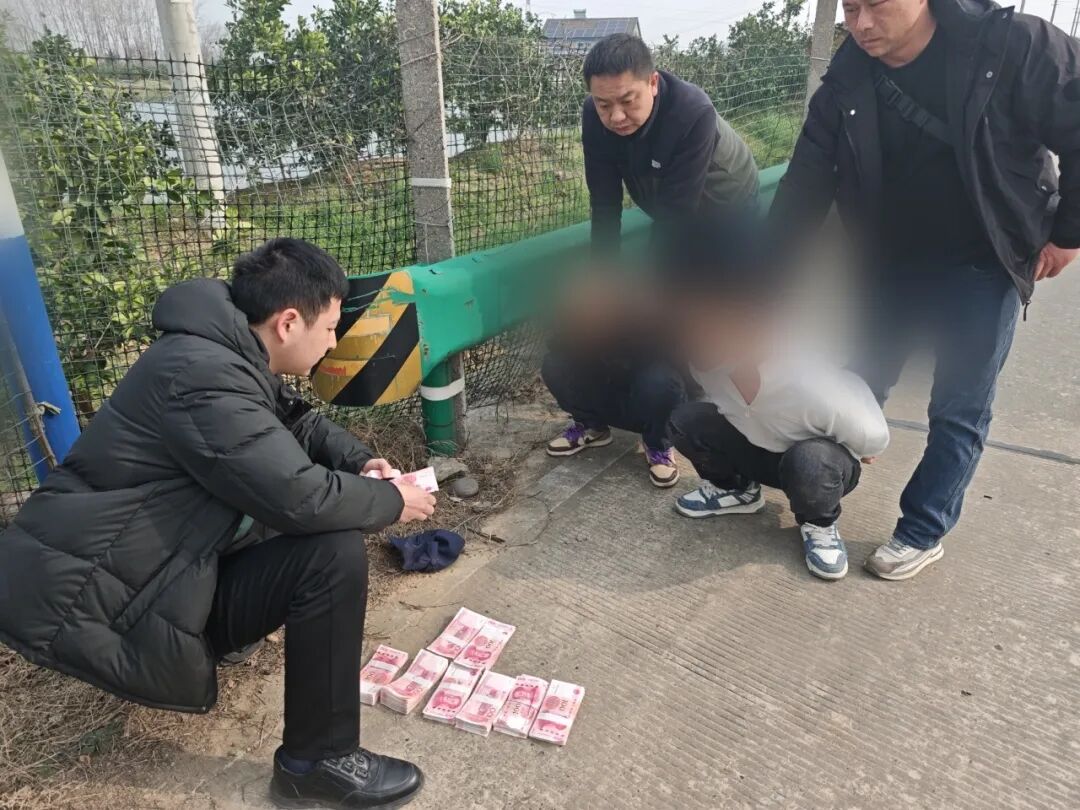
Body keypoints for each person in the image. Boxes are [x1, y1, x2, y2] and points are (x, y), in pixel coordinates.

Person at [0, 239, 435, 809]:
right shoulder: (202, 378)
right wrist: (391, 501)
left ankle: (230, 641)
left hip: (148, 573)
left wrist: (359, 462)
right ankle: (316, 762)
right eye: (330, 328)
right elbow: (299, 498)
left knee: (313, 525)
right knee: (331, 553)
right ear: (287, 323)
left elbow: (293, 422)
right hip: (100, 602)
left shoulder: (224, 350)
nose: (333, 342)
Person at [768, 0, 1080, 580]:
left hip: (983, 263)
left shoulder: (1012, 44)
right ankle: (819, 497)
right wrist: (765, 286)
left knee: (960, 406)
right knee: (855, 389)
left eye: (876, 5)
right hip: (890, 266)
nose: (861, 24)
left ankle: (923, 528)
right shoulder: (847, 78)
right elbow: (804, 184)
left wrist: (1068, 233)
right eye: (850, 8)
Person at [664, 220, 890, 580]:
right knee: (685, 421)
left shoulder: (804, 377)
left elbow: (874, 437)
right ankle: (738, 491)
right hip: (760, 448)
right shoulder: (705, 365)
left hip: (811, 462)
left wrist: (857, 446)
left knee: (811, 461)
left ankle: (819, 522)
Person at [581, 33, 760, 254]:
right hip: (668, 195)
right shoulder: (593, 114)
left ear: (653, 83)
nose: (616, 116)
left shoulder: (692, 114)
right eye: (604, 105)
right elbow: (604, 200)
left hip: (726, 199)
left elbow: (675, 215)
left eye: (627, 101)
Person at [541, 267, 689, 487]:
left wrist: (620, 335)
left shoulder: (651, 310)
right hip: (606, 388)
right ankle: (591, 427)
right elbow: (557, 346)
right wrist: (581, 331)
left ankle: (658, 444)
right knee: (555, 364)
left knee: (661, 382)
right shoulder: (580, 306)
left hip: (643, 393)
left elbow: (674, 363)